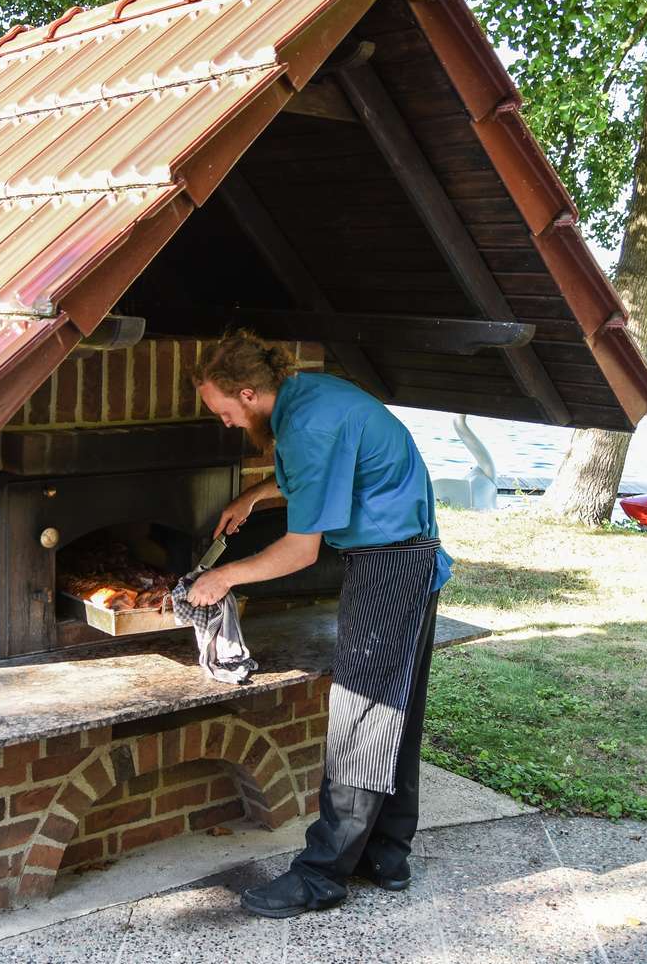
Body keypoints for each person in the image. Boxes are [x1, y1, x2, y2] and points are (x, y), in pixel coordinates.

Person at [186, 331, 453, 919]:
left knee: (360, 716)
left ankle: (321, 875)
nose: (227, 424)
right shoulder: (309, 395)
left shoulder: (306, 424)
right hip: (404, 555)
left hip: (391, 565)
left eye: (226, 412)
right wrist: (257, 493)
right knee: (393, 713)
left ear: (250, 393)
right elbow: (325, 470)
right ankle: (386, 853)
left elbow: (300, 552)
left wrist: (224, 577)